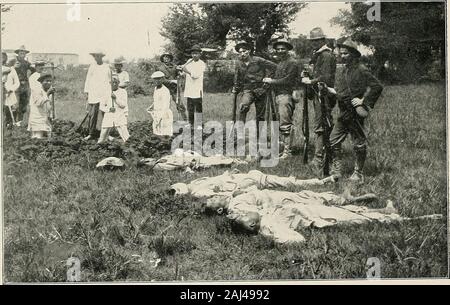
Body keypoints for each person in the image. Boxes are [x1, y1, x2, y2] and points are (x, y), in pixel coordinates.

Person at [204, 189, 439, 244]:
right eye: (246, 217)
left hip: (307, 211)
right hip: (312, 218)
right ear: (253, 224)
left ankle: (384, 212)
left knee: (351, 212)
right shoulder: (269, 225)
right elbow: (295, 239)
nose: (244, 213)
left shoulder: (258, 216)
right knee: (353, 218)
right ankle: (418, 219)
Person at [330, 38, 383, 182]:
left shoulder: (361, 69)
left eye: (346, 53)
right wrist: (331, 91)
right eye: (341, 53)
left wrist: (363, 101)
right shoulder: (344, 70)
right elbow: (343, 91)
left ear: (353, 54)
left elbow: (377, 86)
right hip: (343, 112)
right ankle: (337, 172)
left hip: (355, 112)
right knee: (333, 140)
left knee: (358, 142)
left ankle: (358, 173)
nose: (342, 56)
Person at [302, 27, 337, 175]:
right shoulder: (318, 55)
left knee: (321, 126)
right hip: (318, 94)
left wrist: (310, 81)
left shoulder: (326, 55)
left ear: (323, 40)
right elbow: (320, 74)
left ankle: (320, 159)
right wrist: (309, 75)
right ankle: (322, 157)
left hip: (324, 95)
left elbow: (326, 78)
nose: (314, 43)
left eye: (317, 40)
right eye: (313, 41)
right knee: (320, 125)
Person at [170, 169, 335, 199]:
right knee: (282, 185)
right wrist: (239, 190)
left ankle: (317, 182)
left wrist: (226, 174)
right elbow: (221, 193)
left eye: (176, 187)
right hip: (241, 185)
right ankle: (318, 183)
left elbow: (216, 180)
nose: (179, 187)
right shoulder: (198, 192)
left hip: (239, 179)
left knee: (280, 181)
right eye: (177, 191)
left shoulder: (194, 182)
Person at [232, 41, 277, 141]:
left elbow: (274, 67)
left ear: (249, 51)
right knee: (243, 107)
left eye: (244, 51)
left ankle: (260, 137)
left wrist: (268, 79)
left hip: (261, 89)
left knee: (260, 115)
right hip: (248, 89)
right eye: (240, 52)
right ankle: (240, 135)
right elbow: (237, 77)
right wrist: (236, 87)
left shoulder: (258, 60)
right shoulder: (239, 63)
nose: (242, 54)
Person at [262, 38, 298, 159]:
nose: (281, 51)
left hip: (286, 95)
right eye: (278, 49)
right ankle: (282, 148)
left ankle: (288, 151)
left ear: (287, 49)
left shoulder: (292, 62)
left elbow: (288, 80)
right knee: (278, 122)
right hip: (277, 95)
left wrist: (272, 81)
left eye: (283, 49)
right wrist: (268, 80)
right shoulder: (280, 63)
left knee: (285, 123)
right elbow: (275, 76)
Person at [83, 49, 112, 140]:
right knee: (93, 114)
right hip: (94, 93)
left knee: (105, 113)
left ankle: (107, 133)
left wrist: (110, 92)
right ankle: (91, 133)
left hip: (104, 93)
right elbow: (88, 80)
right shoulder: (92, 67)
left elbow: (110, 80)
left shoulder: (106, 67)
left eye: (98, 56)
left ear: (101, 57)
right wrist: (87, 92)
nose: (97, 57)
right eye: (95, 56)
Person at [98, 76, 130, 143]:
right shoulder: (106, 92)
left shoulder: (123, 92)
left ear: (119, 83)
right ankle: (99, 146)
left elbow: (123, 105)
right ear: (110, 83)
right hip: (109, 114)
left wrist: (115, 99)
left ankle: (129, 146)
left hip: (120, 114)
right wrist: (109, 109)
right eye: (113, 82)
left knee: (124, 133)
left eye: (116, 82)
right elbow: (101, 106)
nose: (114, 84)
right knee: (103, 134)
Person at [181, 44, 207, 129]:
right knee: (190, 107)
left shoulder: (202, 64)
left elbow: (195, 75)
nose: (194, 55)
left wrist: (186, 70)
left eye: (196, 53)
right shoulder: (189, 61)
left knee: (198, 107)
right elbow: (184, 72)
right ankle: (190, 123)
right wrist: (181, 72)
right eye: (193, 53)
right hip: (189, 88)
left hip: (197, 88)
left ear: (200, 54)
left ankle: (199, 124)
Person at [159, 53, 187, 121]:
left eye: (168, 57)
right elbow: (162, 80)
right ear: (162, 59)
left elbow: (180, 74)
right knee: (165, 106)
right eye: (164, 57)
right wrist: (172, 81)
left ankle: (185, 120)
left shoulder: (174, 67)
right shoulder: (160, 68)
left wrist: (181, 73)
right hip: (164, 89)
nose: (166, 59)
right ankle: (164, 121)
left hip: (174, 89)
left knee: (180, 105)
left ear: (170, 59)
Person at [27, 73, 55, 139]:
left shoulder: (47, 91)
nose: (49, 83)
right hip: (37, 119)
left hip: (45, 119)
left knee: (47, 139)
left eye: (50, 81)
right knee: (37, 139)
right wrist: (48, 93)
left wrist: (51, 115)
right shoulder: (36, 90)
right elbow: (39, 103)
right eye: (46, 81)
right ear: (41, 82)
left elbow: (49, 106)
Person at [14, 45, 35, 126]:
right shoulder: (14, 61)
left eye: (24, 53)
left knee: (24, 103)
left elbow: (33, 70)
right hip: (16, 84)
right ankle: (13, 122)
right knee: (15, 103)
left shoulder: (27, 63)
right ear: (18, 53)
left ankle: (20, 121)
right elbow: (7, 68)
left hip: (25, 84)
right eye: (21, 52)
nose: (23, 54)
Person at [147, 71, 173, 136]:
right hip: (156, 113)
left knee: (165, 134)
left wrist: (160, 118)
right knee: (156, 133)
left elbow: (166, 106)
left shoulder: (165, 91)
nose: (157, 81)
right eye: (155, 79)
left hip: (164, 115)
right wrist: (151, 106)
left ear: (162, 79)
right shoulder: (156, 89)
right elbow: (156, 101)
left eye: (158, 79)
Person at [3, 55, 20, 127]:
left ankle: (10, 124)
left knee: (12, 109)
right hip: (2, 92)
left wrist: (11, 89)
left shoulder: (12, 70)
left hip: (9, 93)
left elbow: (17, 83)